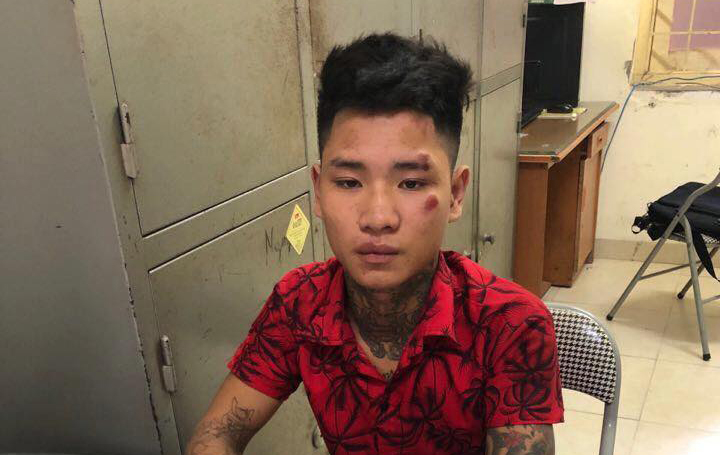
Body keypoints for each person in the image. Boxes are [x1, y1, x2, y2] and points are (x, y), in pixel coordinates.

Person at [187, 33, 564, 455]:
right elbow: (214, 435)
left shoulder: (509, 324)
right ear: (318, 190)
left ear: (456, 194)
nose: (377, 217)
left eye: (411, 183)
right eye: (349, 182)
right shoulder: (300, 303)